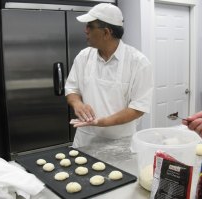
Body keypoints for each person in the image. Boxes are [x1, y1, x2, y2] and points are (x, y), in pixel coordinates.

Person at [64, 3, 153, 148]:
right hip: (85, 139)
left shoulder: (139, 63)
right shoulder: (84, 56)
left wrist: (103, 122)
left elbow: (138, 108)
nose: (85, 30)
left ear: (106, 32)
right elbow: (72, 89)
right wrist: (77, 104)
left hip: (120, 143)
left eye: (89, 26)